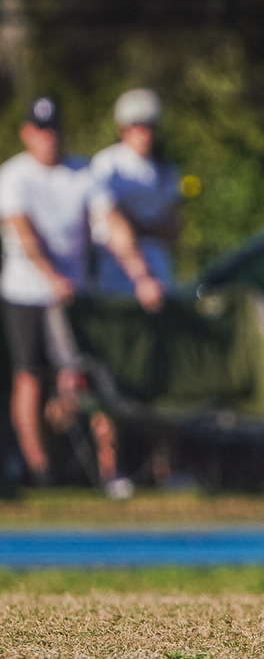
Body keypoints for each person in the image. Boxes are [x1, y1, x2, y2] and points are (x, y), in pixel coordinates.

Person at [1, 97, 163, 486]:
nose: (48, 138)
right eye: (41, 130)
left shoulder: (83, 173)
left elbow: (114, 226)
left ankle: (110, 472)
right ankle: (39, 469)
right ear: (27, 133)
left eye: (54, 129)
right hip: (28, 294)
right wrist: (51, 276)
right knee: (30, 377)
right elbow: (25, 235)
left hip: (75, 296)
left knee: (90, 378)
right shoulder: (13, 176)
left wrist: (141, 275)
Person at [90, 89, 182, 298]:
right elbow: (113, 224)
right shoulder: (108, 165)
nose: (145, 134)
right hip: (114, 273)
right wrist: (142, 276)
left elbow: (172, 228)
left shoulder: (165, 169)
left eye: (150, 126)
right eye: (138, 126)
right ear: (123, 129)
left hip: (160, 275)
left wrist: (136, 225)